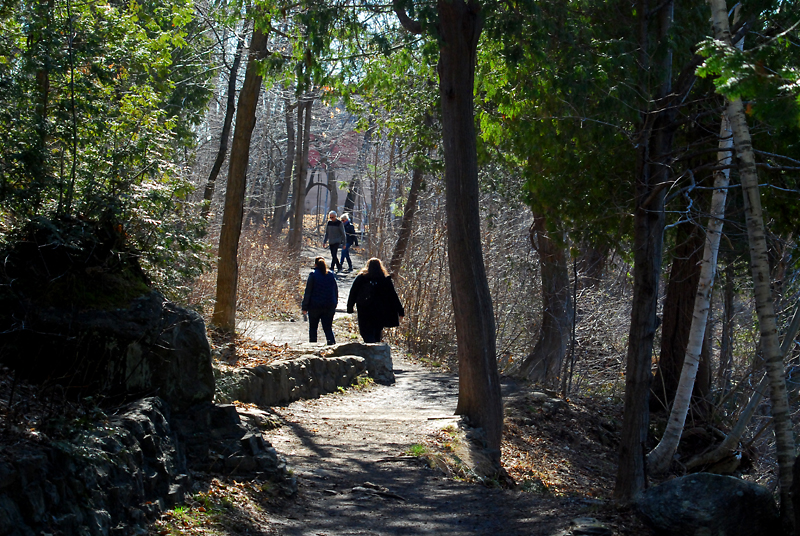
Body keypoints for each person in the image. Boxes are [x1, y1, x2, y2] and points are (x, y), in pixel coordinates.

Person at [347, 258, 404, 343]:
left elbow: (353, 292)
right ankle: (375, 349)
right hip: (379, 311)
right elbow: (393, 296)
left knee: (365, 331)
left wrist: (350, 307)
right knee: (377, 331)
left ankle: (370, 347)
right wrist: (400, 311)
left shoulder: (361, 278)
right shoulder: (384, 280)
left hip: (364, 309)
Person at [301, 256, 338, 345]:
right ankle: (332, 345)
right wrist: (334, 303)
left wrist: (304, 307)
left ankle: (313, 347)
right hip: (329, 306)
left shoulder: (313, 275)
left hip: (314, 306)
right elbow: (335, 291)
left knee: (313, 328)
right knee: (328, 328)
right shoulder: (330, 275)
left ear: (315, 264)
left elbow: (308, 292)